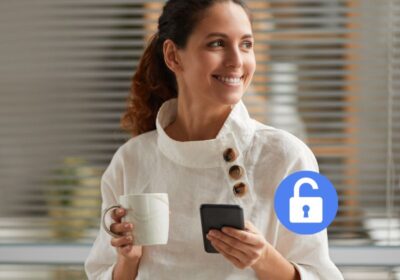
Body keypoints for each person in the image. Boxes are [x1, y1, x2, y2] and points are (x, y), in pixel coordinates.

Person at [85, 0, 344, 279]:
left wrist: (264, 258)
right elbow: (100, 272)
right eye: (217, 44)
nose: (237, 60)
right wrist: (129, 261)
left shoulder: (290, 157)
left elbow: (322, 275)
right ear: (173, 55)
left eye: (246, 44)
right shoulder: (131, 160)